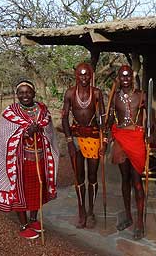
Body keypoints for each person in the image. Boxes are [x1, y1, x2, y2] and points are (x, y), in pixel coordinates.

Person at [0, 79, 59, 239]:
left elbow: (49, 131)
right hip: (19, 161)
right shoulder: (10, 113)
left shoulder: (42, 110)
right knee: (20, 191)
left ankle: (33, 219)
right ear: (16, 95)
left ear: (34, 93)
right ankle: (24, 225)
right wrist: (25, 133)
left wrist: (40, 129)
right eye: (21, 92)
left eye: (28, 92)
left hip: (40, 158)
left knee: (38, 187)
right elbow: (6, 138)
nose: (25, 95)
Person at [62, 62, 106, 229]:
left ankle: (91, 211)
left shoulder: (96, 93)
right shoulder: (70, 94)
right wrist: (68, 141)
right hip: (75, 138)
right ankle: (81, 210)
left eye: (87, 74)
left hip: (93, 138)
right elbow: (64, 118)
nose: (84, 78)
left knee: (93, 176)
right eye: (81, 74)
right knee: (79, 176)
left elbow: (102, 118)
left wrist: (104, 141)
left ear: (91, 75)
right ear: (76, 76)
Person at [107, 65, 146, 240]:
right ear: (118, 78)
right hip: (120, 139)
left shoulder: (141, 95)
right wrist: (107, 136)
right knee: (125, 179)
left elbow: (148, 119)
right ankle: (129, 217)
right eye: (122, 76)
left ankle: (140, 223)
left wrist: (149, 131)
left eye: (128, 76)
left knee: (137, 181)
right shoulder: (114, 97)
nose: (125, 79)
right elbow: (109, 119)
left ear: (132, 77)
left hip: (136, 140)